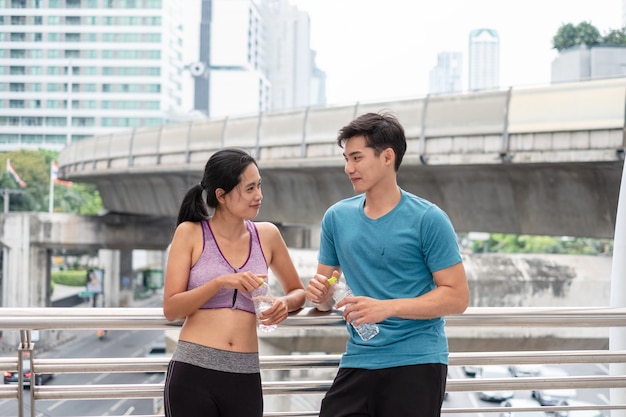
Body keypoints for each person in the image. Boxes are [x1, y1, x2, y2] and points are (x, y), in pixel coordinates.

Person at [306, 112, 470, 417]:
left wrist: (388, 307)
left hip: (417, 361)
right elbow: (326, 295)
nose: (348, 168)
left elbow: (457, 296)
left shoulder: (428, 219)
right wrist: (320, 296)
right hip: (358, 359)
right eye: (346, 158)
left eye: (356, 157)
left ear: (387, 157)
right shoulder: (336, 218)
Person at [162, 148, 306, 417]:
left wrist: (284, 304)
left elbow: (298, 292)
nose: (259, 195)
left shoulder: (268, 235)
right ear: (222, 196)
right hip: (193, 371)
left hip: (245, 374)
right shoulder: (190, 233)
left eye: (259, 185)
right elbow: (171, 308)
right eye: (250, 188)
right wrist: (220, 282)